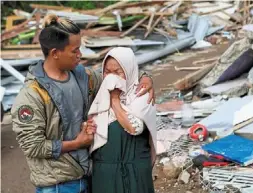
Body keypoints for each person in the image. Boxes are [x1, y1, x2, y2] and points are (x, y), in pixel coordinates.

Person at [11, 14, 155, 193]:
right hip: (58, 185)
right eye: (75, 50)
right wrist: (76, 143)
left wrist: (145, 78)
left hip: (87, 178)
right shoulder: (32, 95)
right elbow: (33, 146)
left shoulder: (83, 77)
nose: (80, 55)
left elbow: (118, 76)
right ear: (55, 53)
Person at [88, 47, 157, 193]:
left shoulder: (141, 95)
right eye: (107, 72)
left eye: (118, 72)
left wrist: (114, 100)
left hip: (134, 173)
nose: (112, 78)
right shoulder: (99, 96)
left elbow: (135, 128)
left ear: (128, 71)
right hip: (104, 174)